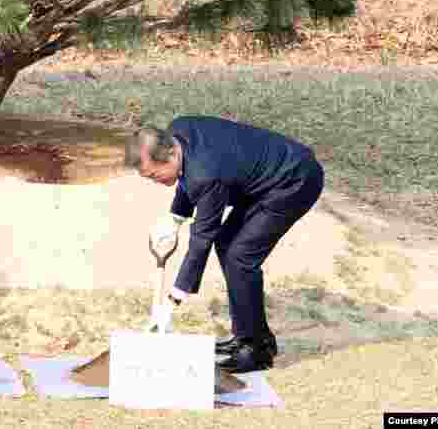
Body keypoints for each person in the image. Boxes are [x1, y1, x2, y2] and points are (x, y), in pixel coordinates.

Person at [137, 116, 324, 373]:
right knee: (227, 244)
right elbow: (185, 176)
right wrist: (175, 218)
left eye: (154, 175)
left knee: (240, 256)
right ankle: (253, 336)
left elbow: (202, 238)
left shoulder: (206, 174)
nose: (154, 181)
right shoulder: (178, 132)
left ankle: (255, 351)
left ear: (170, 154)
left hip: (293, 180)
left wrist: (172, 302)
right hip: (264, 178)